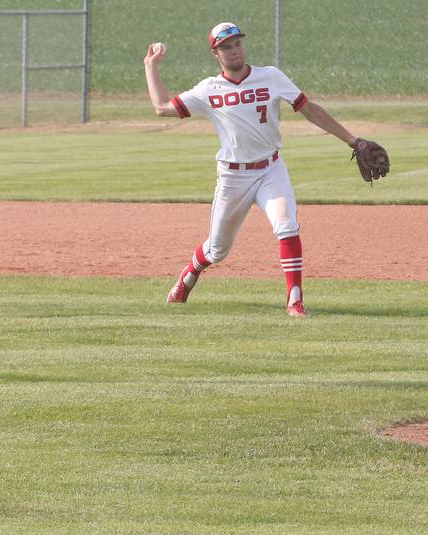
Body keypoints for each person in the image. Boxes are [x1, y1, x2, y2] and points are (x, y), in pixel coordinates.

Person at [144, 22, 386, 317]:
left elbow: (309, 109)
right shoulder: (209, 89)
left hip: (271, 169)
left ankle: (294, 301)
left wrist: (352, 140)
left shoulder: (270, 76)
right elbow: (162, 107)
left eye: (237, 44)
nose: (234, 50)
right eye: (226, 47)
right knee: (217, 250)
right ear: (215, 53)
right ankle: (189, 275)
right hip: (233, 177)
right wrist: (151, 65)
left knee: (287, 225)